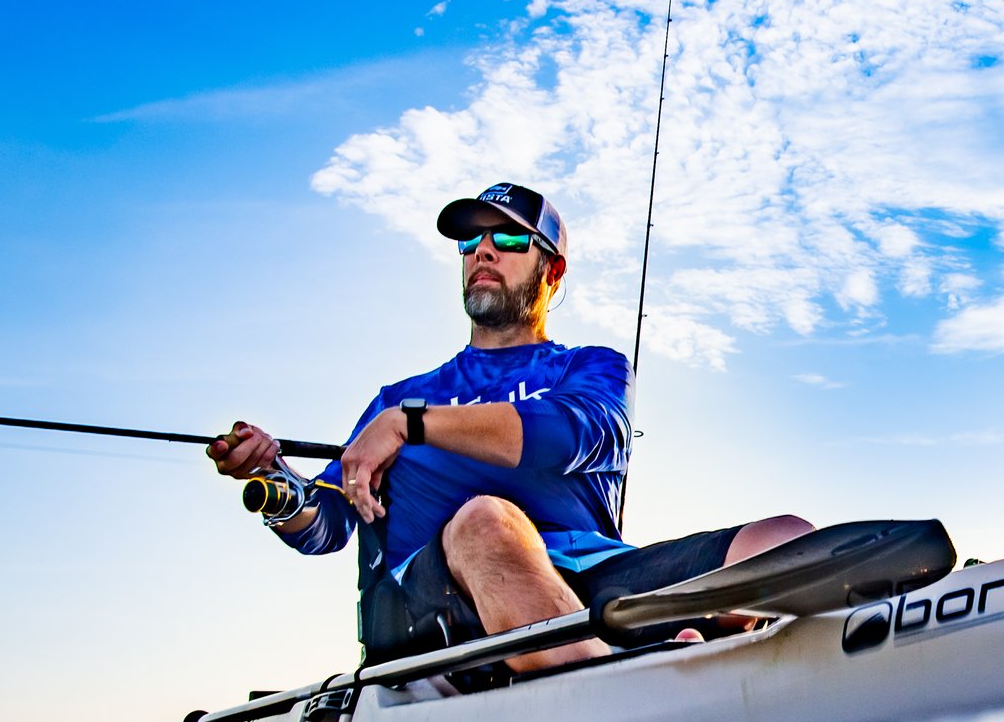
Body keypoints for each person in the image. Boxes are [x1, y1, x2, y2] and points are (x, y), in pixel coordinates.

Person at [208, 181, 811, 672]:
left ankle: (717, 663)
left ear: (552, 271)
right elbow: (331, 523)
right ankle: (636, 682)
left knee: (783, 537)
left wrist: (411, 427)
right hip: (447, 600)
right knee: (485, 521)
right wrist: (275, 483)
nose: (482, 251)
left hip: (592, 577)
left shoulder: (591, 367)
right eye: (469, 242)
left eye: (506, 238)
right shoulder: (396, 399)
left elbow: (569, 436)